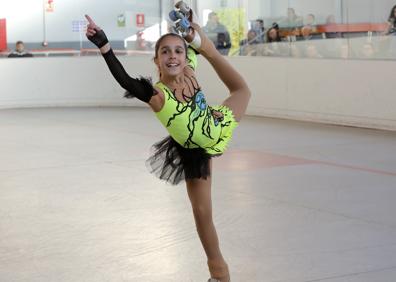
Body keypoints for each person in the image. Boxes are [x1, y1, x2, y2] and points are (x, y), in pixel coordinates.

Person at [85, 3, 250, 281]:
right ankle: (219, 273)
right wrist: (104, 46)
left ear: (185, 57)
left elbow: (192, 41)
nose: (172, 56)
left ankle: (209, 47)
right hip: (194, 150)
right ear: (156, 60)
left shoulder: (190, 70)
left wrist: (191, 28)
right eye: (165, 51)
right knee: (201, 212)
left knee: (242, 89)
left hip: (216, 123)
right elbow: (126, 80)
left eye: (178, 51)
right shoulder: (158, 96)